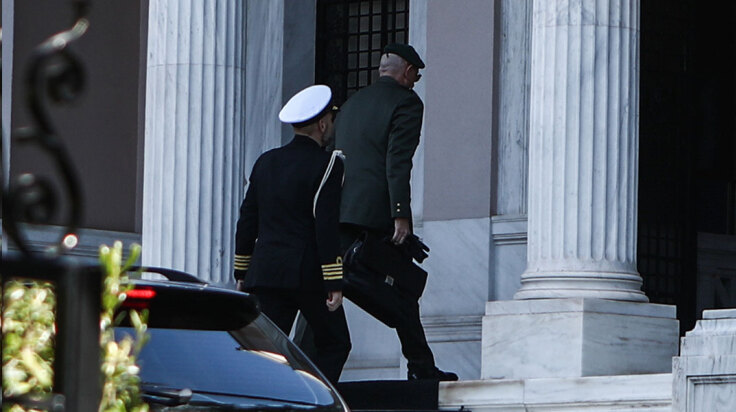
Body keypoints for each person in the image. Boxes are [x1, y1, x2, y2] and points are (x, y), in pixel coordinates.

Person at [334, 44, 458, 381]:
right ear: (407, 71)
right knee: (404, 286)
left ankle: (312, 370)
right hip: (376, 215)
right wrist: (400, 214)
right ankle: (421, 367)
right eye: (416, 74)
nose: (416, 81)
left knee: (329, 289)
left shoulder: (351, 104)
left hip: (342, 213)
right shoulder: (406, 102)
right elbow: (398, 161)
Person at [233, 85, 351, 384]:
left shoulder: (266, 161)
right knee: (335, 343)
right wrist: (333, 281)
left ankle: (266, 397)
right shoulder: (329, 164)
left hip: (266, 272)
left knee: (265, 349)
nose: (331, 127)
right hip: (307, 275)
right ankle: (315, 399)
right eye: (331, 121)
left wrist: (241, 271)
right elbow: (325, 225)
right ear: (322, 124)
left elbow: (247, 221)